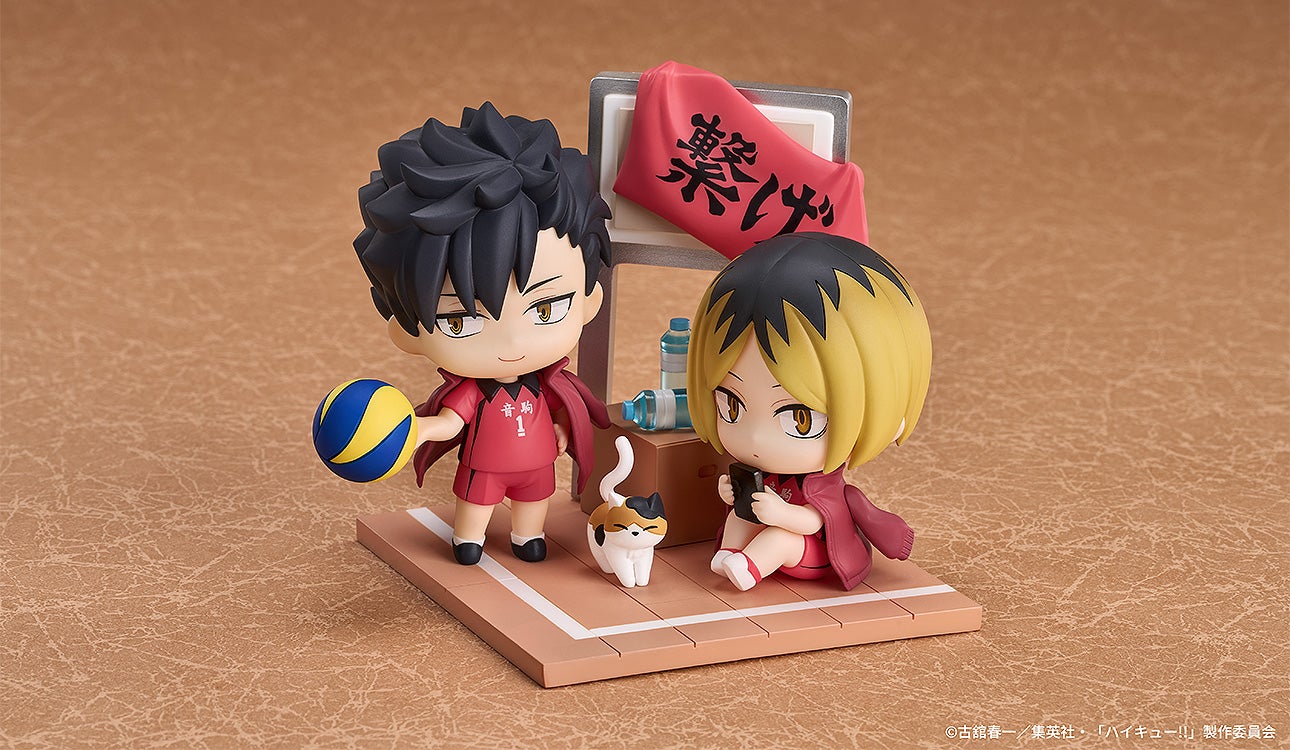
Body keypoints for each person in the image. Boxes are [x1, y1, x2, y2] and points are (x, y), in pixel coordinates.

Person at [354, 102, 612, 565]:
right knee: (476, 502)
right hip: (484, 467)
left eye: (546, 308)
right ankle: (468, 538)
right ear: (406, 330)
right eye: (461, 321)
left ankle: (527, 536)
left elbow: (562, 414)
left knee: (534, 502)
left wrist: (560, 427)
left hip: (536, 466)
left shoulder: (549, 385)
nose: (512, 343)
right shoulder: (474, 392)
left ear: (589, 300)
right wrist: (415, 430)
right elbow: (451, 422)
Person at [687, 232, 931, 590]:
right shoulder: (762, 472)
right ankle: (729, 553)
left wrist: (781, 514)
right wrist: (732, 495)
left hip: (813, 552)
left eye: (800, 419)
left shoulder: (823, 485)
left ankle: (748, 568)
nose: (756, 438)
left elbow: (815, 521)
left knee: (780, 538)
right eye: (732, 405)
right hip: (766, 528)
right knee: (742, 516)